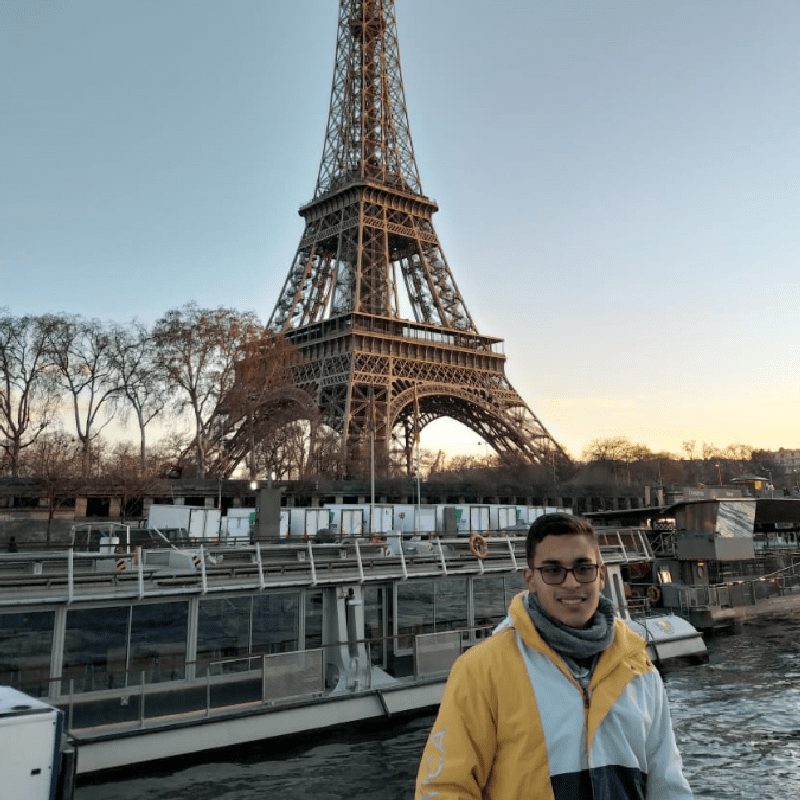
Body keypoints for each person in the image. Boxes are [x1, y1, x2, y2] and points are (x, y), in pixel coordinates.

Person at [415, 512, 692, 799]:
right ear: (531, 579)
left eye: (583, 568)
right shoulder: (481, 671)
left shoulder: (639, 667)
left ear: (600, 575)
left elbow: (667, 784)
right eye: (553, 571)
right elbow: (443, 788)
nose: (571, 583)